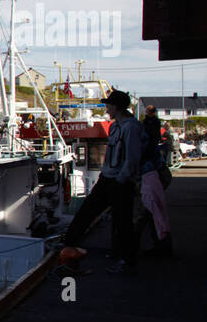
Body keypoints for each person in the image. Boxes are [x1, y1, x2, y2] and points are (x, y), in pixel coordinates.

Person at [61, 89, 144, 273]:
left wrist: (122, 179)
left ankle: (127, 261)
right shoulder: (114, 126)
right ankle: (68, 247)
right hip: (107, 178)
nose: (106, 109)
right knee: (86, 212)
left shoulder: (131, 128)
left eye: (109, 105)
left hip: (120, 182)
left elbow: (132, 157)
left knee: (123, 223)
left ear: (117, 107)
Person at [138, 107, 173, 256]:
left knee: (151, 213)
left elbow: (146, 149)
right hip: (158, 173)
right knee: (157, 213)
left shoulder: (146, 129)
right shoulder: (154, 125)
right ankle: (161, 245)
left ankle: (159, 246)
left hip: (151, 174)